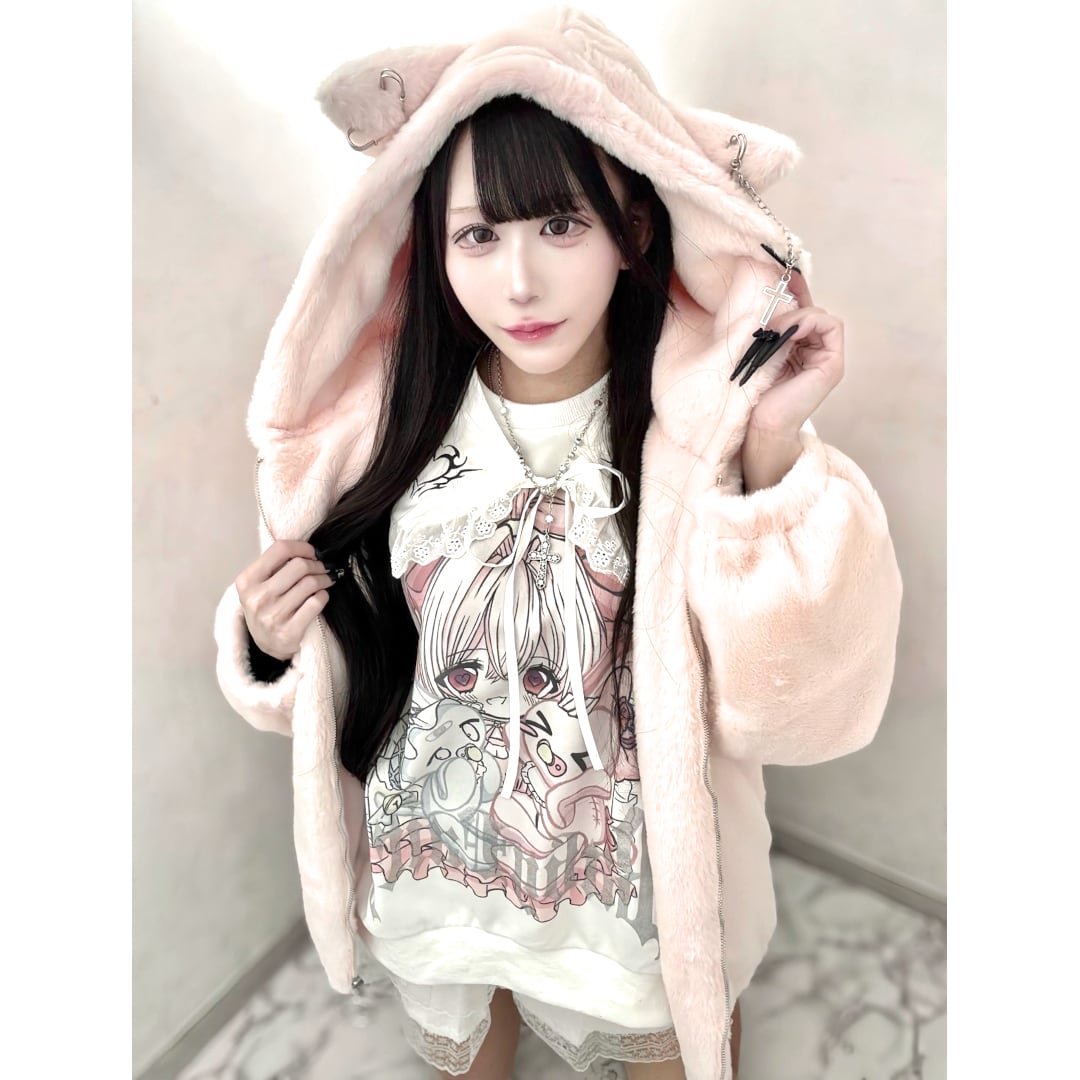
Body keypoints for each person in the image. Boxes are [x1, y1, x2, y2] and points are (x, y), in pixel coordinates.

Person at [214, 9, 903, 1080]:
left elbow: (795, 707)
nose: (519, 284)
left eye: (560, 224)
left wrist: (770, 450)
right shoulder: (373, 420)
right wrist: (270, 640)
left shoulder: (696, 431)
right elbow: (350, 669)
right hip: (436, 875)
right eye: (478, 236)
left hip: (633, 906)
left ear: (634, 228)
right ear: (431, 247)